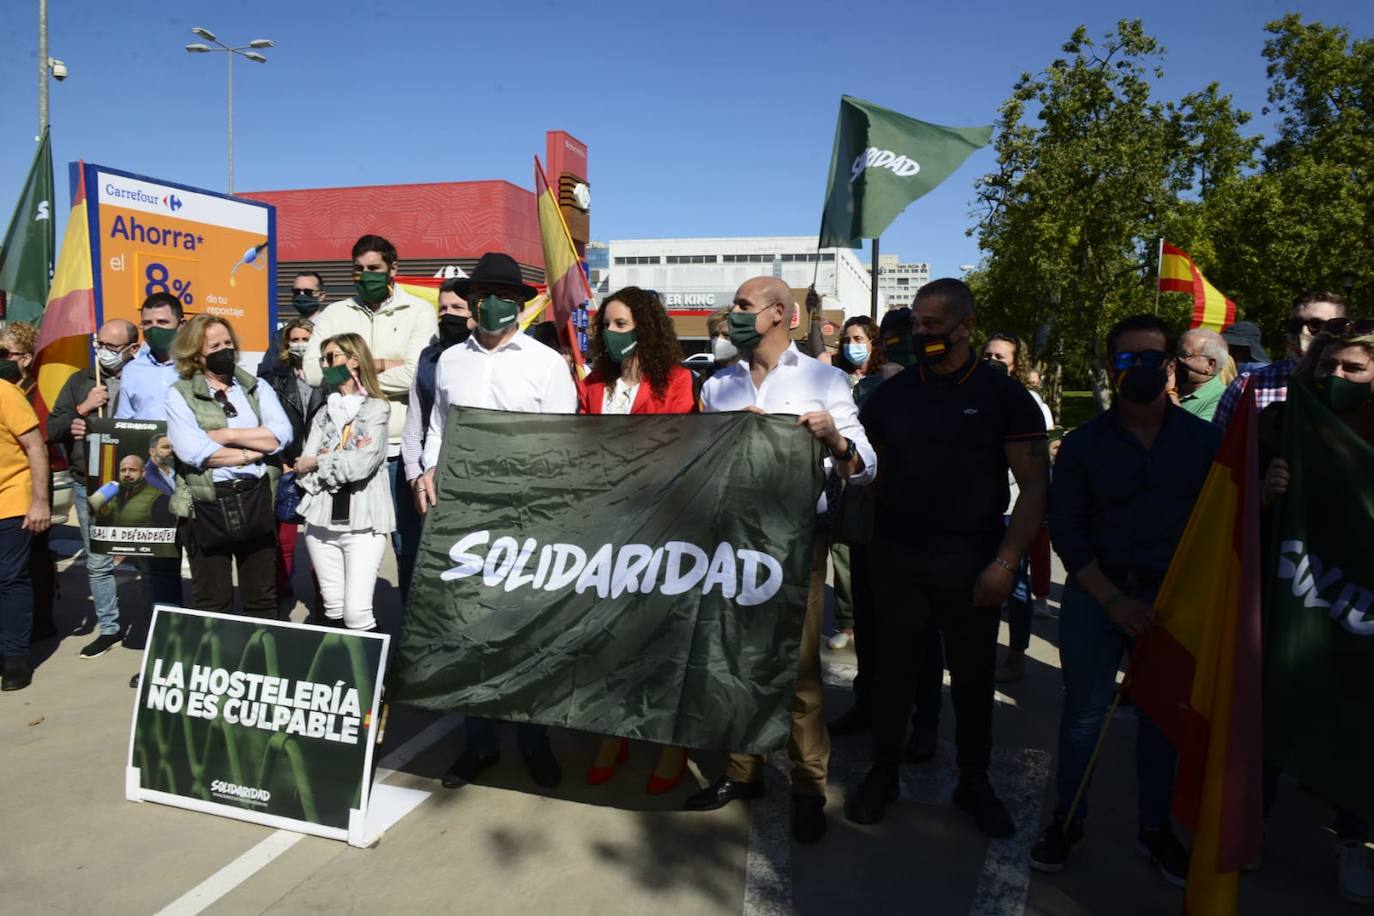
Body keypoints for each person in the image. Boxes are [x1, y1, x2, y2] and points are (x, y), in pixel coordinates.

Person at [845, 279, 1049, 839]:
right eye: (917, 323)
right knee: (893, 673)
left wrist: (1005, 564)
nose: (922, 334)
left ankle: (974, 781)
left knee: (973, 677)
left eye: (934, 325)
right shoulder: (891, 395)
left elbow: (1034, 486)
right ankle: (883, 773)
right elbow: (873, 475)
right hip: (898, 556)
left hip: (974, 558)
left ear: (966, 326)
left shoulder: (1005, 395)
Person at [684, 275, 876, 845]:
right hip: (728, 543)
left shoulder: (823, 379)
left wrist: (834, 441)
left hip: (795, 541)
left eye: (744, 306)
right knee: (734, 659)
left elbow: (867, 464)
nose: (734, 314)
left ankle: (807, 787)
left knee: (797, 671)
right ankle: (743, 772)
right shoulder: (717, 385)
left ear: (779, 315)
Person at [1031, 314, 1222, 885]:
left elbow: (1223, 521)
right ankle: (1067, 820)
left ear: (1170, 364)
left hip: (1173, 604)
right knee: (1084, 717)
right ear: (1113, 367)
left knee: (1165, 721)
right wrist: (1113, 601)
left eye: (1150, 357)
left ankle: (1155, 830)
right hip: (1098, 596)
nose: (1137, 368)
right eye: (1125, 359)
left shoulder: (1207, 442)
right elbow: (1067, 530)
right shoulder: (1085, 444)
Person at [419, 251, 577, 791]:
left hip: (525, 514)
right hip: (463, 514)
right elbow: (438, 427)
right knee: (469, 632)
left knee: (524, 632)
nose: (494, 306)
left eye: (505, 298)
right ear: (474, 303)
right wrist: (427, 471)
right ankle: (478, 744)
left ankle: (536, 742)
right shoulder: (449, 361)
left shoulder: (545, 364)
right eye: (485, 296)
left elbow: (563, 443)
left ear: (519, 305)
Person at [1260, 321, 1374, 905]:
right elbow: (1227, 503)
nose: (1337, 378)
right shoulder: (1281, 425)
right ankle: (1248, 826)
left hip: (1358, 613)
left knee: (1356, 723)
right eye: (1328, 367)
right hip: (1291, 600)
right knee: (1272, 709)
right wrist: (1264, 491)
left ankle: (1352, 841)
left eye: (1354, 369)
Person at [576, 286, 696, 794]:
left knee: (661, 636)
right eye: (606, 324)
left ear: (645, 327)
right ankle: (612, 729)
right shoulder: (593, 382)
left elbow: (676, 446)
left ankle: (671, 739)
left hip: (660, 525)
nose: (611, 333)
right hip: (604, 527)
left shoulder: (678, 381)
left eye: (621, 324)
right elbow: (578, 444)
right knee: (608, 635)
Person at [303, 235, 437, 590]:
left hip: (397, 453)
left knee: (406, 546)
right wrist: (382, 365)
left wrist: (354, 367)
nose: (366, 276)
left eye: (374, 269)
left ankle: (409, 636)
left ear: (393, 269)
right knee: (335, 545)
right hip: (344, 453)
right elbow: (315, 373)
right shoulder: (335, 314)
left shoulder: (419, 311)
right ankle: (338, 630)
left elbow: (415, 375)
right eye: (358, 270)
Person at [165, 315, 292, 618]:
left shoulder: (256, 387)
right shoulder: (180, 393)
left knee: (262, 598)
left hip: (255, 497)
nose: (225, 350)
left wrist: (228, 435)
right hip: (206, 503)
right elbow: (194, 452)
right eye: (215, 345)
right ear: (197, 353)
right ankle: (219, 662)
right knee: (213, 601)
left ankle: (261, 662)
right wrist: (253, 452)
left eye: (228, 343)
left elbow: (281, 435)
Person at [46, 319, 140, 656]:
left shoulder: (143, 378)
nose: (104, 352)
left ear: (133, 348)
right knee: (98, 560)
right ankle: (110, 627)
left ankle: (150, 625)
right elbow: (51, 429)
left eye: (113, 347)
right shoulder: (79, 381)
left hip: (137, 486)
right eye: (100, 344)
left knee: (146, 557)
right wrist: (83, 409)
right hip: (90, 483)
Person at [295, 334, 392, 631]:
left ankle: (373, 675)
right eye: (323, 359)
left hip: (363, 522)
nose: (325, 365)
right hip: (320, 523)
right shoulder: (324, 412)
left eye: (331, 357)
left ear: (353, 360)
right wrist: (322, 463)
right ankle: (340, 673)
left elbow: (362, 464)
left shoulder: (377, 408)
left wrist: (319, 462)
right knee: (333, 607)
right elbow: (303, 466)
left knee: (357, 613)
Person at [115, 293, 191, 669]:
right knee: (157, 571)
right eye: (148, 323)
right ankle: (165, 659)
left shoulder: (195, 364)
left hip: (197, 478)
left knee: (208, 569)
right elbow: (124, 425)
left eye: (162, 322)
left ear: (180, 323)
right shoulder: (132, 370)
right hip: (154, 484)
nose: (154, 329)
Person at [980, 331, 1054, 683]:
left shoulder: (1030, 403)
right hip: (979, 508)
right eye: (988, 355)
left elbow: (1036, 466)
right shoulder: (972, 393)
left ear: (1015, 365)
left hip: (1014, 507)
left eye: (1001, 358)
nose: (993, 362)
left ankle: (1015, 654)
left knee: (1016, 585)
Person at [399, 279, 471, 601]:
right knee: (415, 564)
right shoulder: (428, 358)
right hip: (427, 481)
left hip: (469, 482)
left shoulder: (482, 360)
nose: (448, 314)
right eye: (443, 308)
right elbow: (415, 427)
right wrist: (415, 478)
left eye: (457, 308)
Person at [826, 316, 888, 652]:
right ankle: (846, 622)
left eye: (859, 338)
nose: (852, 345)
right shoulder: (835, 379)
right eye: (847, 339)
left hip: (873, 474)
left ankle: (874, 619)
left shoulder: (884, 382)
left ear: (873, 343)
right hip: (841, 479)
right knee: (842, 553)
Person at [1213, 291, 1347, 429]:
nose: (1304, 332)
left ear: (1342, 328)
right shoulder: (1247, 385)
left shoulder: (1358, 384)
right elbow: (1220, 444)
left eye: (1317, 325)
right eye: (1295, 325)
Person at [0, 321, 56, 644]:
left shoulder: (36, 388)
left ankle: (34, 628)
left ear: (24, 357)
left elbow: (41, 440)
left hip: (28, 485)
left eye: (7, 353)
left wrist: (39, 500)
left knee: (25, 565)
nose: (3, 358)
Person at [264, 318, 322, 615]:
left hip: (320, 468)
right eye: (294, 339)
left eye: (306, 338)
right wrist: (282, 462)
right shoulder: (276, 378)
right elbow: (269, 424)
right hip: (288, 464)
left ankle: (323, 596)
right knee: (284, 539)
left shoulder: (328, 377)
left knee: (320, 541)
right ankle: (280, 589)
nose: (300, 344)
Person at [0, 369, 50, 691]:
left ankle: (15, 656)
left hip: (11, 497)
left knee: (8, 576)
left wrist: (40, 501)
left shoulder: (5, 393)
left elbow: (35, 446)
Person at [257, 272, 329, 379]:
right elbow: (266, 374)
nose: (301, 295)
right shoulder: (281, 336)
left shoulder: (331, 331)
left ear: (321, 296)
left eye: (308, 292)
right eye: (296, 292)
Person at [1175, 328, 1229, 422]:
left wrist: (1170, 393)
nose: (1176, 359)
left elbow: (1193, 434)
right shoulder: (1169, 387)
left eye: (1184, 355)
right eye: (1176, 352)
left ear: (1210, 365)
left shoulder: (1223, 399)